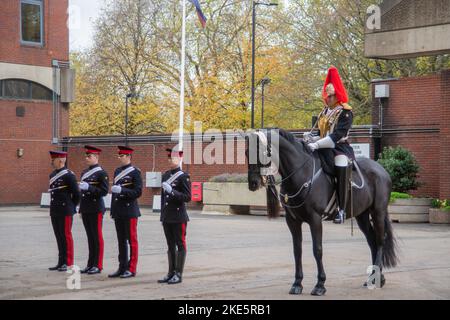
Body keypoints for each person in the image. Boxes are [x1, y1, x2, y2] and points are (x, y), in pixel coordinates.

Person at [304, 66, 355, 224]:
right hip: (323, 146)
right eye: (327, 96)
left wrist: (317, 145)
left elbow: (337, 135)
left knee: (340, 163)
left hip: (340, 148)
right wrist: (310, 137)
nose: (328, 99)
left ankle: (341, 209)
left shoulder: (345, 112)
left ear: (337, 95)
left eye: (331, 96)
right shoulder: (324, 112)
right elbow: (320, 133)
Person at [158, 147, 191, 285]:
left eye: (174, 158)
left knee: (180, 244)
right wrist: (162, 214)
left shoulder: (184, 176)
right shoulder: (165, 175)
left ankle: (178, 273)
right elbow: (162, 198)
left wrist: (172, 192)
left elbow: (187, 197)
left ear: (180, 159)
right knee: (170, 245)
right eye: (170, 158)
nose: (171, 160)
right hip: (167, 215)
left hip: (178, 216)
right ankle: (170, 272)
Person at [108, 146, 142, 279]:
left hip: (130, 211)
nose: (119, 158)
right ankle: (122, 267)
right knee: (121, 241)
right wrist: (113, 210)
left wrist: (122, 191)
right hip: (119, 211)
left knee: (132, 241)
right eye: (119, 156)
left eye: (121, 156)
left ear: (128, 157)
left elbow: (137, 192)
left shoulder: (135, 172)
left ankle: (131, 268)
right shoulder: (117, 171)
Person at [78, 145, 109, 275]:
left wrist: (89, 188)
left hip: (96, 208)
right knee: (90, 237)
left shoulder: (102, 173)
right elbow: (82, 193)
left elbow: (104, 191)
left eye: (89, 156)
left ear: (96, 157)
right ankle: (90, 264)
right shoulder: (84, 173)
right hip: (86, 208)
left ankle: (98, 264)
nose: (87, 158)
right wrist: (80, 207)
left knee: (97, 237)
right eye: (86, 156)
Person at [48, 151, 80, 271]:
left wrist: (71, 207)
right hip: (55, 209)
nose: (52, 161)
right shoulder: (52, 175)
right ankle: (61, 261)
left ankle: (68, 262)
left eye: (54, 159)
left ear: (61, 160)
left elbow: (77, 194)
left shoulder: (69, 175)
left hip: (65, 209)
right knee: (59, 236)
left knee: (66, 236)